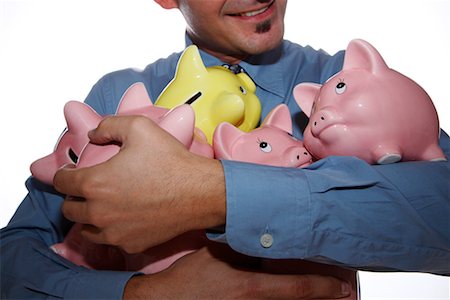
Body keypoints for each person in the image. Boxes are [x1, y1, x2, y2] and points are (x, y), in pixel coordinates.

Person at [1, 0, 448, 298]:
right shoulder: (118, 96)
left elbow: (442, 211)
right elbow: (14, 256)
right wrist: (146, 293)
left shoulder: (340, 82)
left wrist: (213, 194)